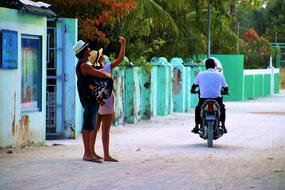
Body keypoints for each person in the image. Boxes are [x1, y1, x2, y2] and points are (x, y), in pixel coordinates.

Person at [73, 40, 112, 163]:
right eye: (87, 48)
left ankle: (90, 152)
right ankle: (87, 153)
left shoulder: (85, 64)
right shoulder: (84, 65)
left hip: (91, 97)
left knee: (91, 125)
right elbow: (97, 74)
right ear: (84, 52)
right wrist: (106, 75)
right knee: (88, 126)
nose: (89, 50)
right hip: (88, 98)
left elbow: (94, 76)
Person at [89, 36, 126, 162]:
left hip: (97, 100)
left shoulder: (92, 70)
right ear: (99, 59)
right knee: (106, 130)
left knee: (95, 127)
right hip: (107, 101)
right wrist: (123, 44)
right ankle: (106, 155)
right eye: (101, 55)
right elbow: (120, 59)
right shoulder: (105, 69)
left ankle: (92, 152)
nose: (103, 55)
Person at [190, 58, 229, 134]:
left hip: (203, 99)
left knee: (198, 109)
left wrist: (193, 90)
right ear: (215, 65)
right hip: (217, 99)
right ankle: (223, 125)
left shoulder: (201, 74)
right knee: (222, 108)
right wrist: (225, 92)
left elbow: (194, 86)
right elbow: (226, 88)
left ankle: (196, 126)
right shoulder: (219, 74)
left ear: (206, 66)